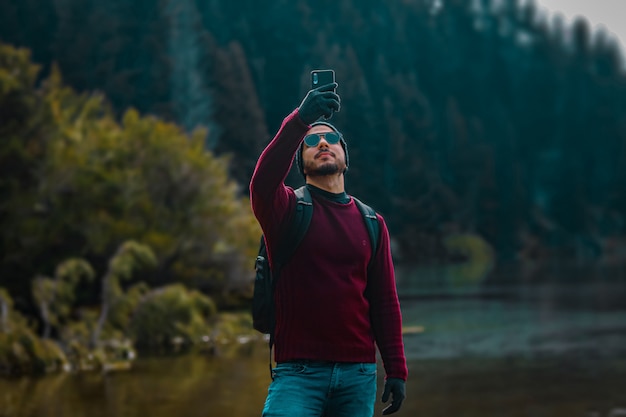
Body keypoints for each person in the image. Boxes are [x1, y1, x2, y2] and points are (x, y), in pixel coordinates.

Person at [249, 82, 408, 416]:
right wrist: (300, 120)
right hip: (297, 375)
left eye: (331, 138)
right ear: (301, 163)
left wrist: (396, 370)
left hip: (358, 376)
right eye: (311, 141)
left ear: (345, 158)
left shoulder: (372, 222)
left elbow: (384, 302)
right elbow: (262, 184)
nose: (322, 142)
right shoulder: (287, 209)